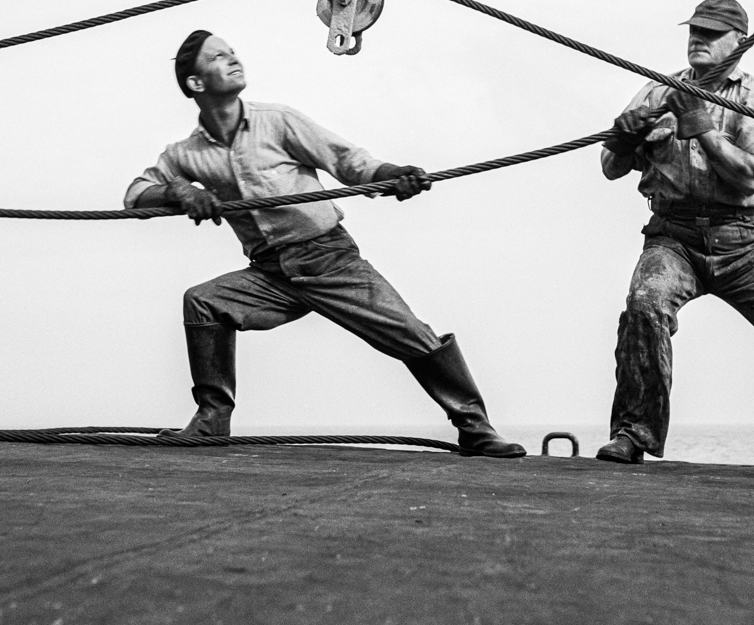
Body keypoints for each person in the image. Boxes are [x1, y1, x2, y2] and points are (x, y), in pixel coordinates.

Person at [124, 29, 525, 459]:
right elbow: (135, 195)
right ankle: (212, 421)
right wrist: (181, 193)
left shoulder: (276, 120)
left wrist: (391, 174)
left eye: (233, 52)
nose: (234, 59)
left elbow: (347, 161)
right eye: (219, 57)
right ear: (196, 84)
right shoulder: (185, 154)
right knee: (203, 301)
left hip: (329, 259)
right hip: (271, 274)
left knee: (411, 334)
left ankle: (475, 427)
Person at [594, 0, 754, 472]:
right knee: (644, 306)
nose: (699, 38)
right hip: (672, 235)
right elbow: (610, 169)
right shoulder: (656, 92)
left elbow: (753, 178)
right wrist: (622, 139)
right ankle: (633, 433)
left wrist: (701, 128)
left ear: (740, 42)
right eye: (695, 30)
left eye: (712, 33)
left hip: (742, 241)